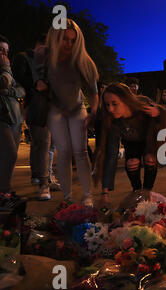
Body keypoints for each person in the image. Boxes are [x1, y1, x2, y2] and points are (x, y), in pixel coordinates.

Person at [34, 19, 99, 207]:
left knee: (80, 151)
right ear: (55, 38)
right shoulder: (43, 56)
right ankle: (67, 197)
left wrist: (94, 111)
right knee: (63, 152)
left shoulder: (83, 61)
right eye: (65, 39)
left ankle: (88, 196)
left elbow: (93, 93)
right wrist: (38, 83)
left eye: (73, 40)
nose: (69, 44)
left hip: (77, 108)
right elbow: (35, 75)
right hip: (55, 108)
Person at [94, 83, 166, 208]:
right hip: (131, 143)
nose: (110, 109)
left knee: (150, 160)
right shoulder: (113, 120)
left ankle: (147, 191)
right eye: (107, 105)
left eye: (115, 104)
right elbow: (111, 155)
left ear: (125, 100)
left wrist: (158, 113)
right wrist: (104, 194)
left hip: (148, 140)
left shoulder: (143, 104)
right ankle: (137, 190)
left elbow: (165, 118)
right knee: (132, 163)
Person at [12, 34, 61, 200]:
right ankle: (43, 183)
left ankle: (40, 176)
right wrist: (35, 84)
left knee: (45, 145)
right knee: (43, 143)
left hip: (50, 105)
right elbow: (17, 77)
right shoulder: (23, 58)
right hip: (37, 106)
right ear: (39, 45)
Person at [0, 35, 25, 203]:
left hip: (13, 118)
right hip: (2, 118)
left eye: (6, 51)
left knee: (9, 156)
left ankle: (5, 192)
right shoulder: (5, 69)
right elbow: (3, 83)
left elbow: (22, 91)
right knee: (9, 154)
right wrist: (6, 68)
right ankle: (3, 193)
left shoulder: (7, 71)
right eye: (0, 50)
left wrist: (8, 91)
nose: (4, 55)